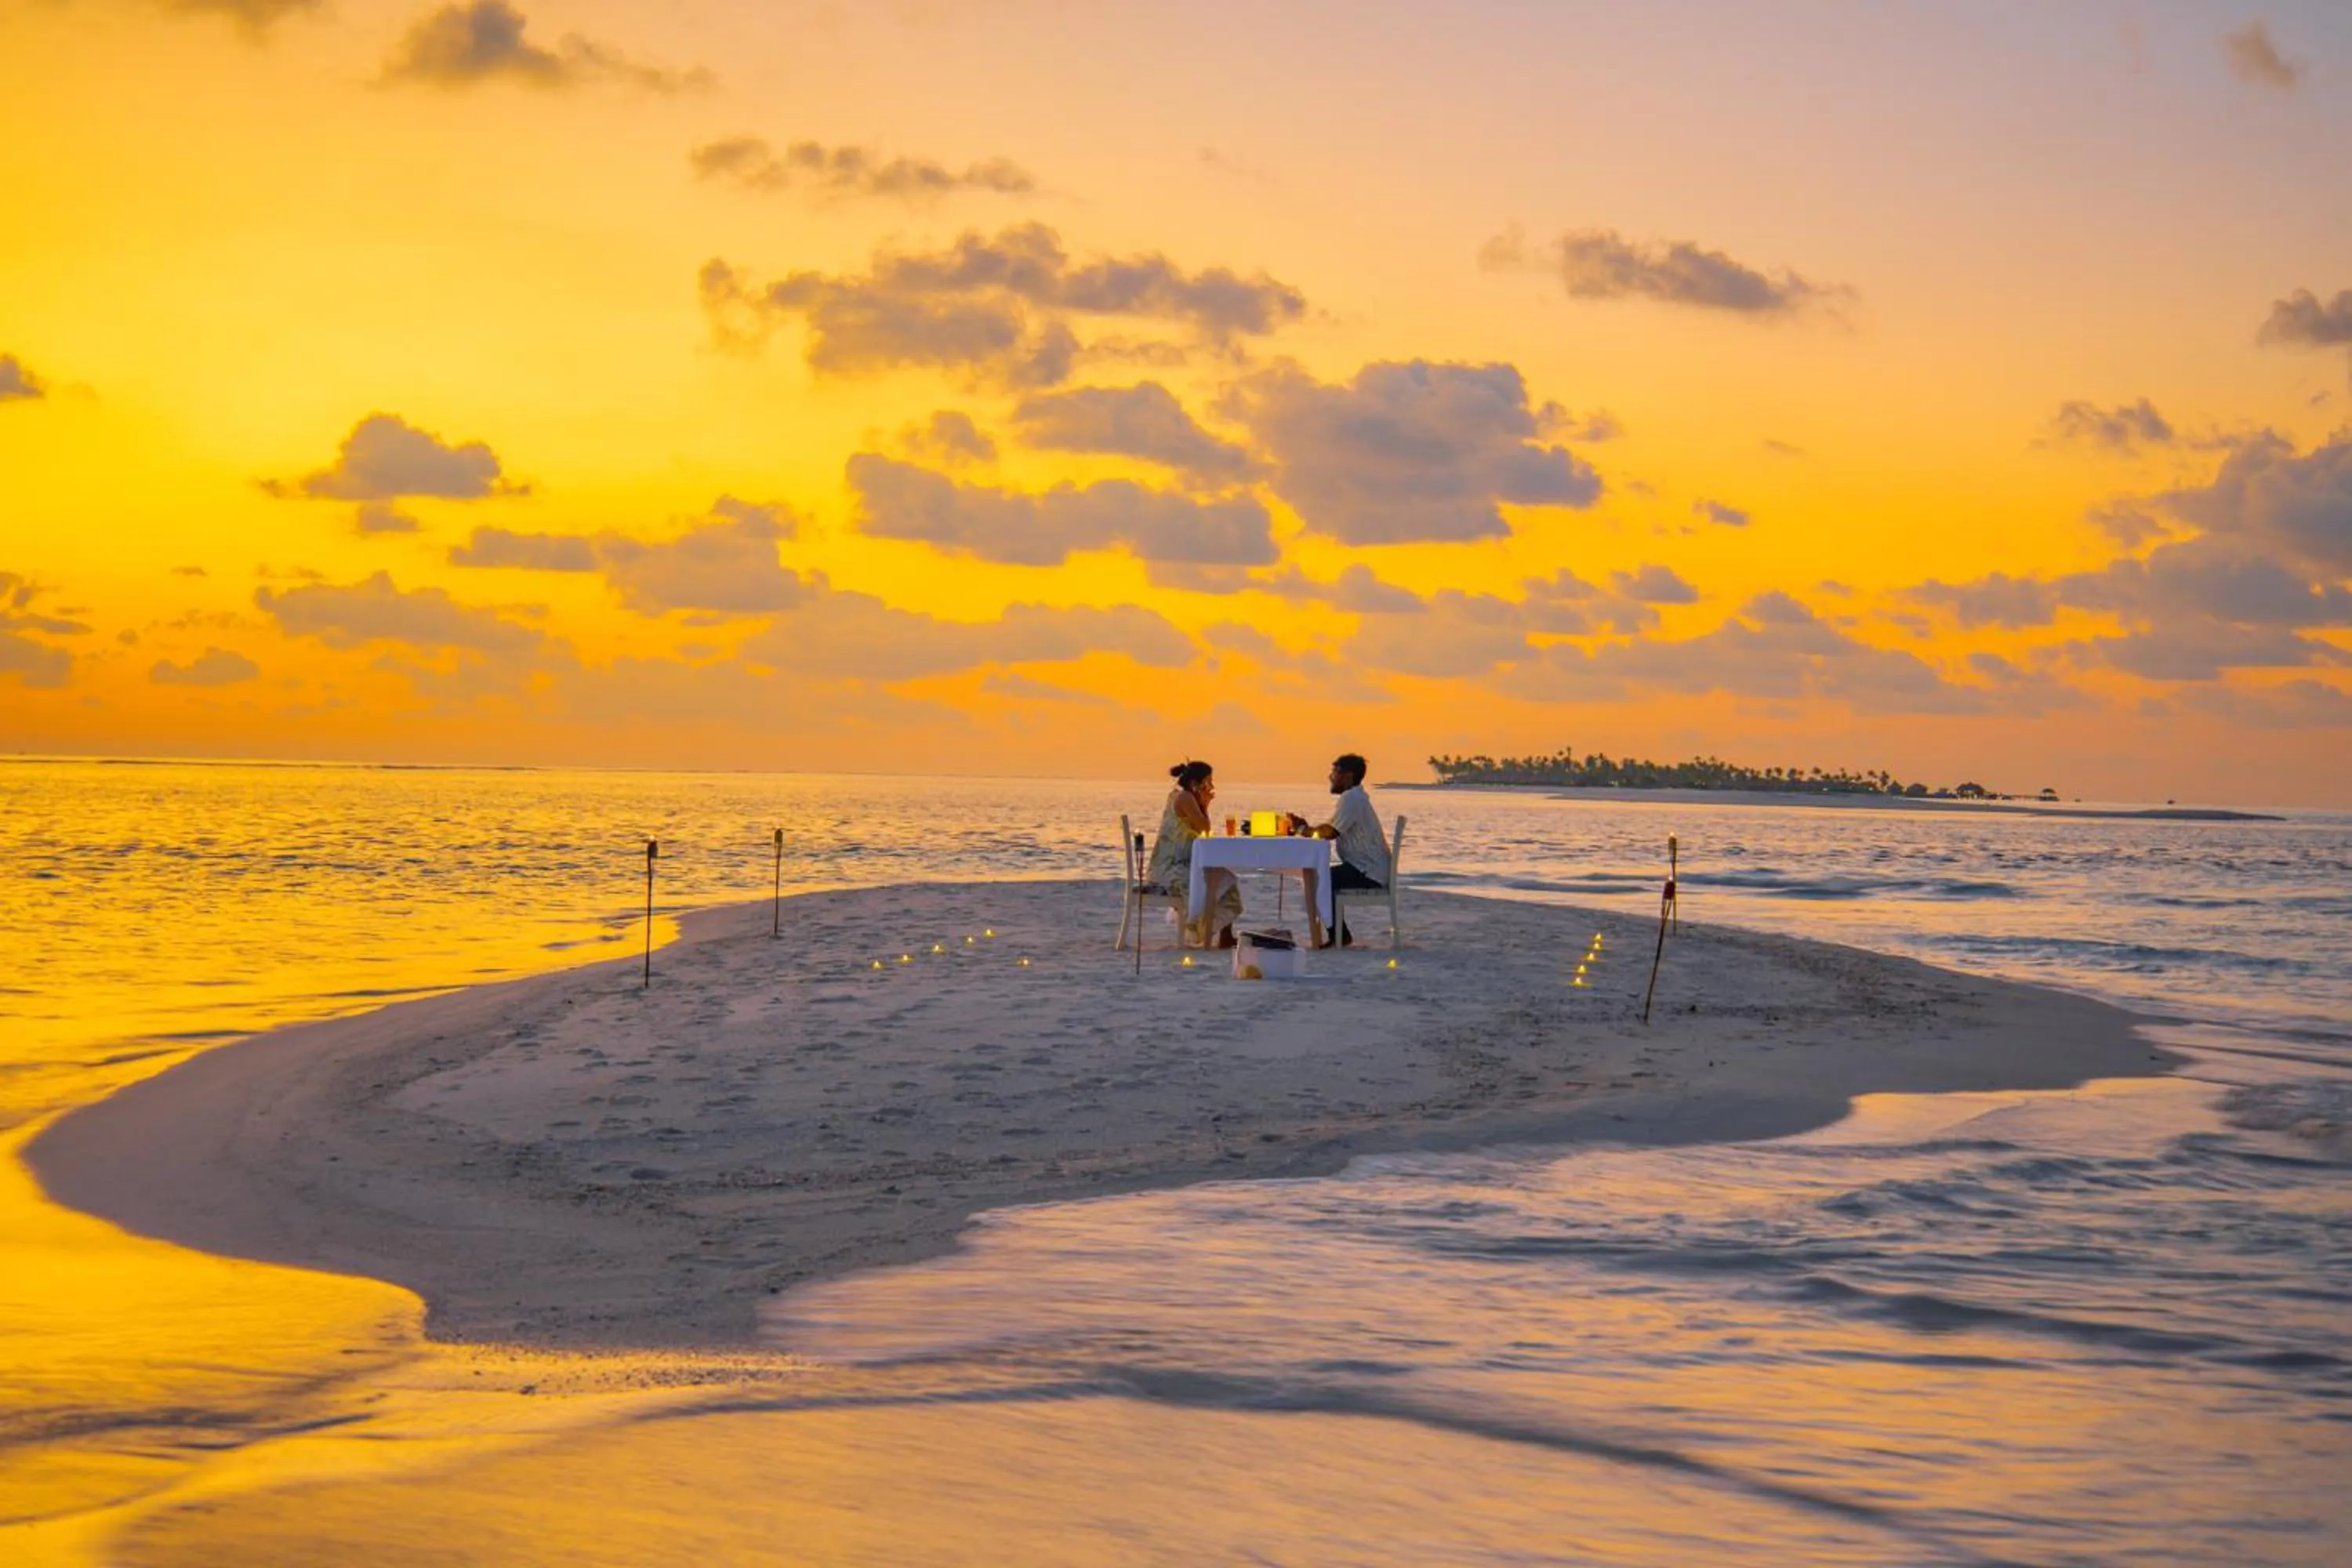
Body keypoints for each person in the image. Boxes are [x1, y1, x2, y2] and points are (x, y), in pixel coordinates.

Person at [1148, 760, 1243, 947]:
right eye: (1208, 782)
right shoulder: (1184, 798)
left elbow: (1202, 831)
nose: (1212, 786)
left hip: (1182, 861)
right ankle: (1201, 931)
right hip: (1170, 867)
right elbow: (1204, 828)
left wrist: (1203, 804)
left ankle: (1225, 935)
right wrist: (1205, 806)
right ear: (1195, 784)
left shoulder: (1187, 797)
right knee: (1211, 880)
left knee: (1225, 878)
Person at [1304, 753, 1388, 946]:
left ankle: (1339, 936)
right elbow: (1329, 828)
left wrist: (1303, 830)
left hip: (1369, 871)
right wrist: (1307, 829)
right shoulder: (1354, 797)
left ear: (1348, 776)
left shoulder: (1352, 798)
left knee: (1319, 880)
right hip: (1366, 867)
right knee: (1321, 878)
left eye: (1335, 772)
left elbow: (1330, 832)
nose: (1330, 777)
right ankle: (1339, 934)